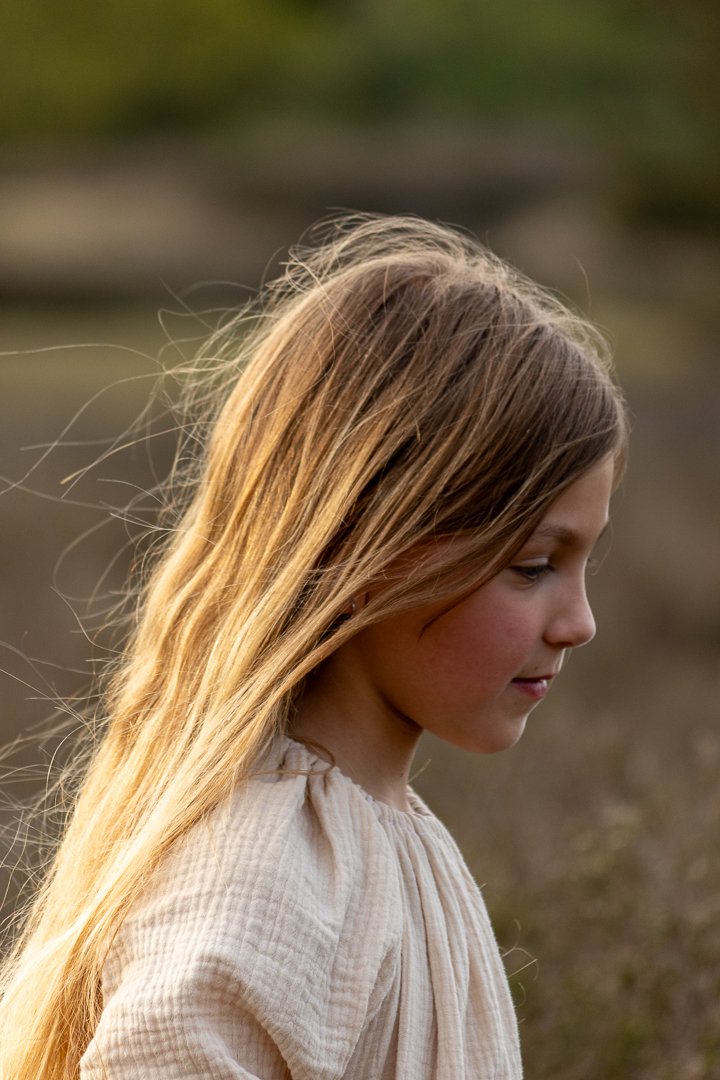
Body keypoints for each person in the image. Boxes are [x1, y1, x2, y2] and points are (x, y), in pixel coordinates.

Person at [0, 213, 628, 1079]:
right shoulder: (267, 879)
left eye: (583, 561)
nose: (580, 622)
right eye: (531, 567)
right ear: (365, 545)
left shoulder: (389, 840)